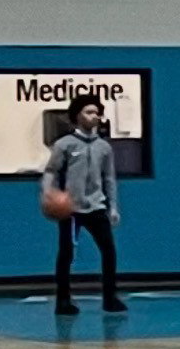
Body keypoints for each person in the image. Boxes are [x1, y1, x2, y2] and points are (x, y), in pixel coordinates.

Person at [43, 93, 126, 317]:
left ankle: (110, 298)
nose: (94, 116)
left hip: (96, 205)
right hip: (71, 209)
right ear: (77, 116)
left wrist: (113, 206)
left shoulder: (104, 147)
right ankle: (63, 301)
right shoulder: (64, 144)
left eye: (97, 112)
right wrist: (48, 193)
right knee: (66, 254)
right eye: (89, 112)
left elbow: (109, 178)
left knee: (109, 250)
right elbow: (51, 172)